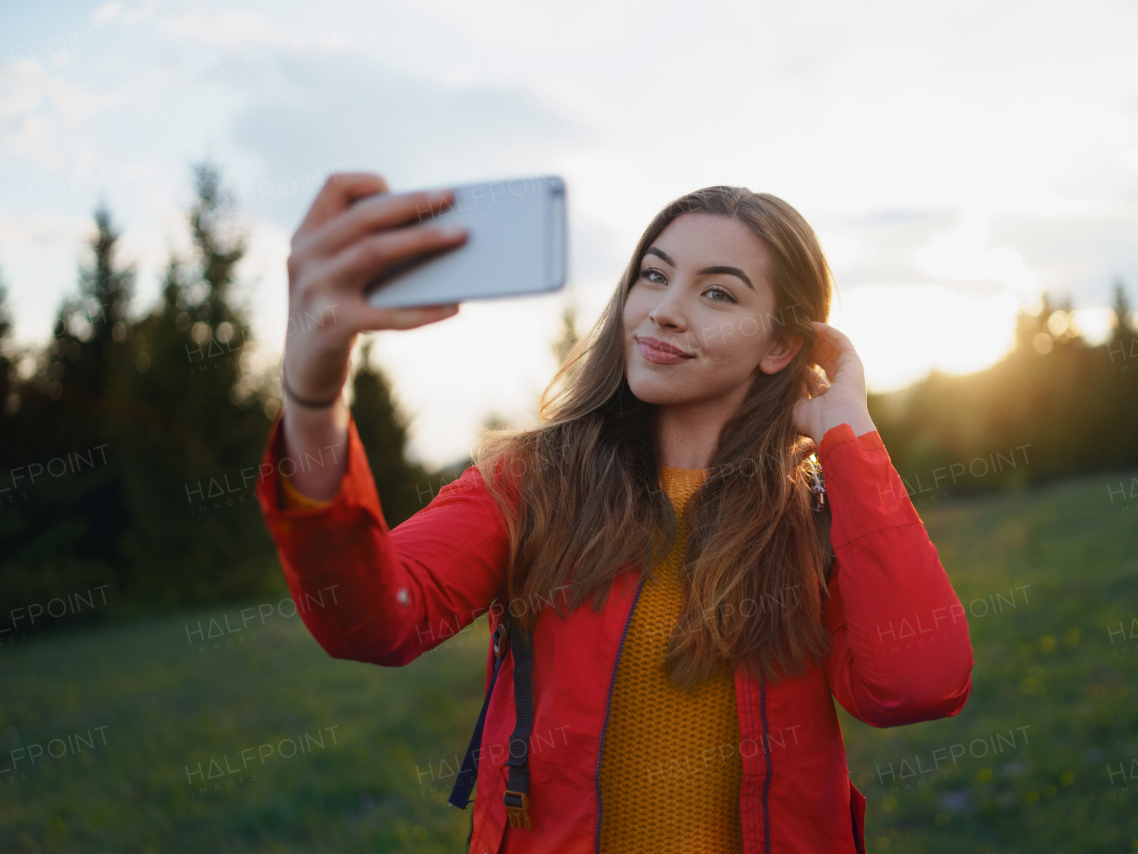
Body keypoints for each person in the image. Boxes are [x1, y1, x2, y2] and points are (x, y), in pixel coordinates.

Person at [256, 173, 975, 854]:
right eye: (653, 275)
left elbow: (916, 685)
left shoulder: (813, 513)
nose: (663, 308)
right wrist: (314, 400)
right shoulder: (530, 483)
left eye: (718, 294)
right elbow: (375, 619)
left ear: (781, 344)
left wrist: (849, 435)